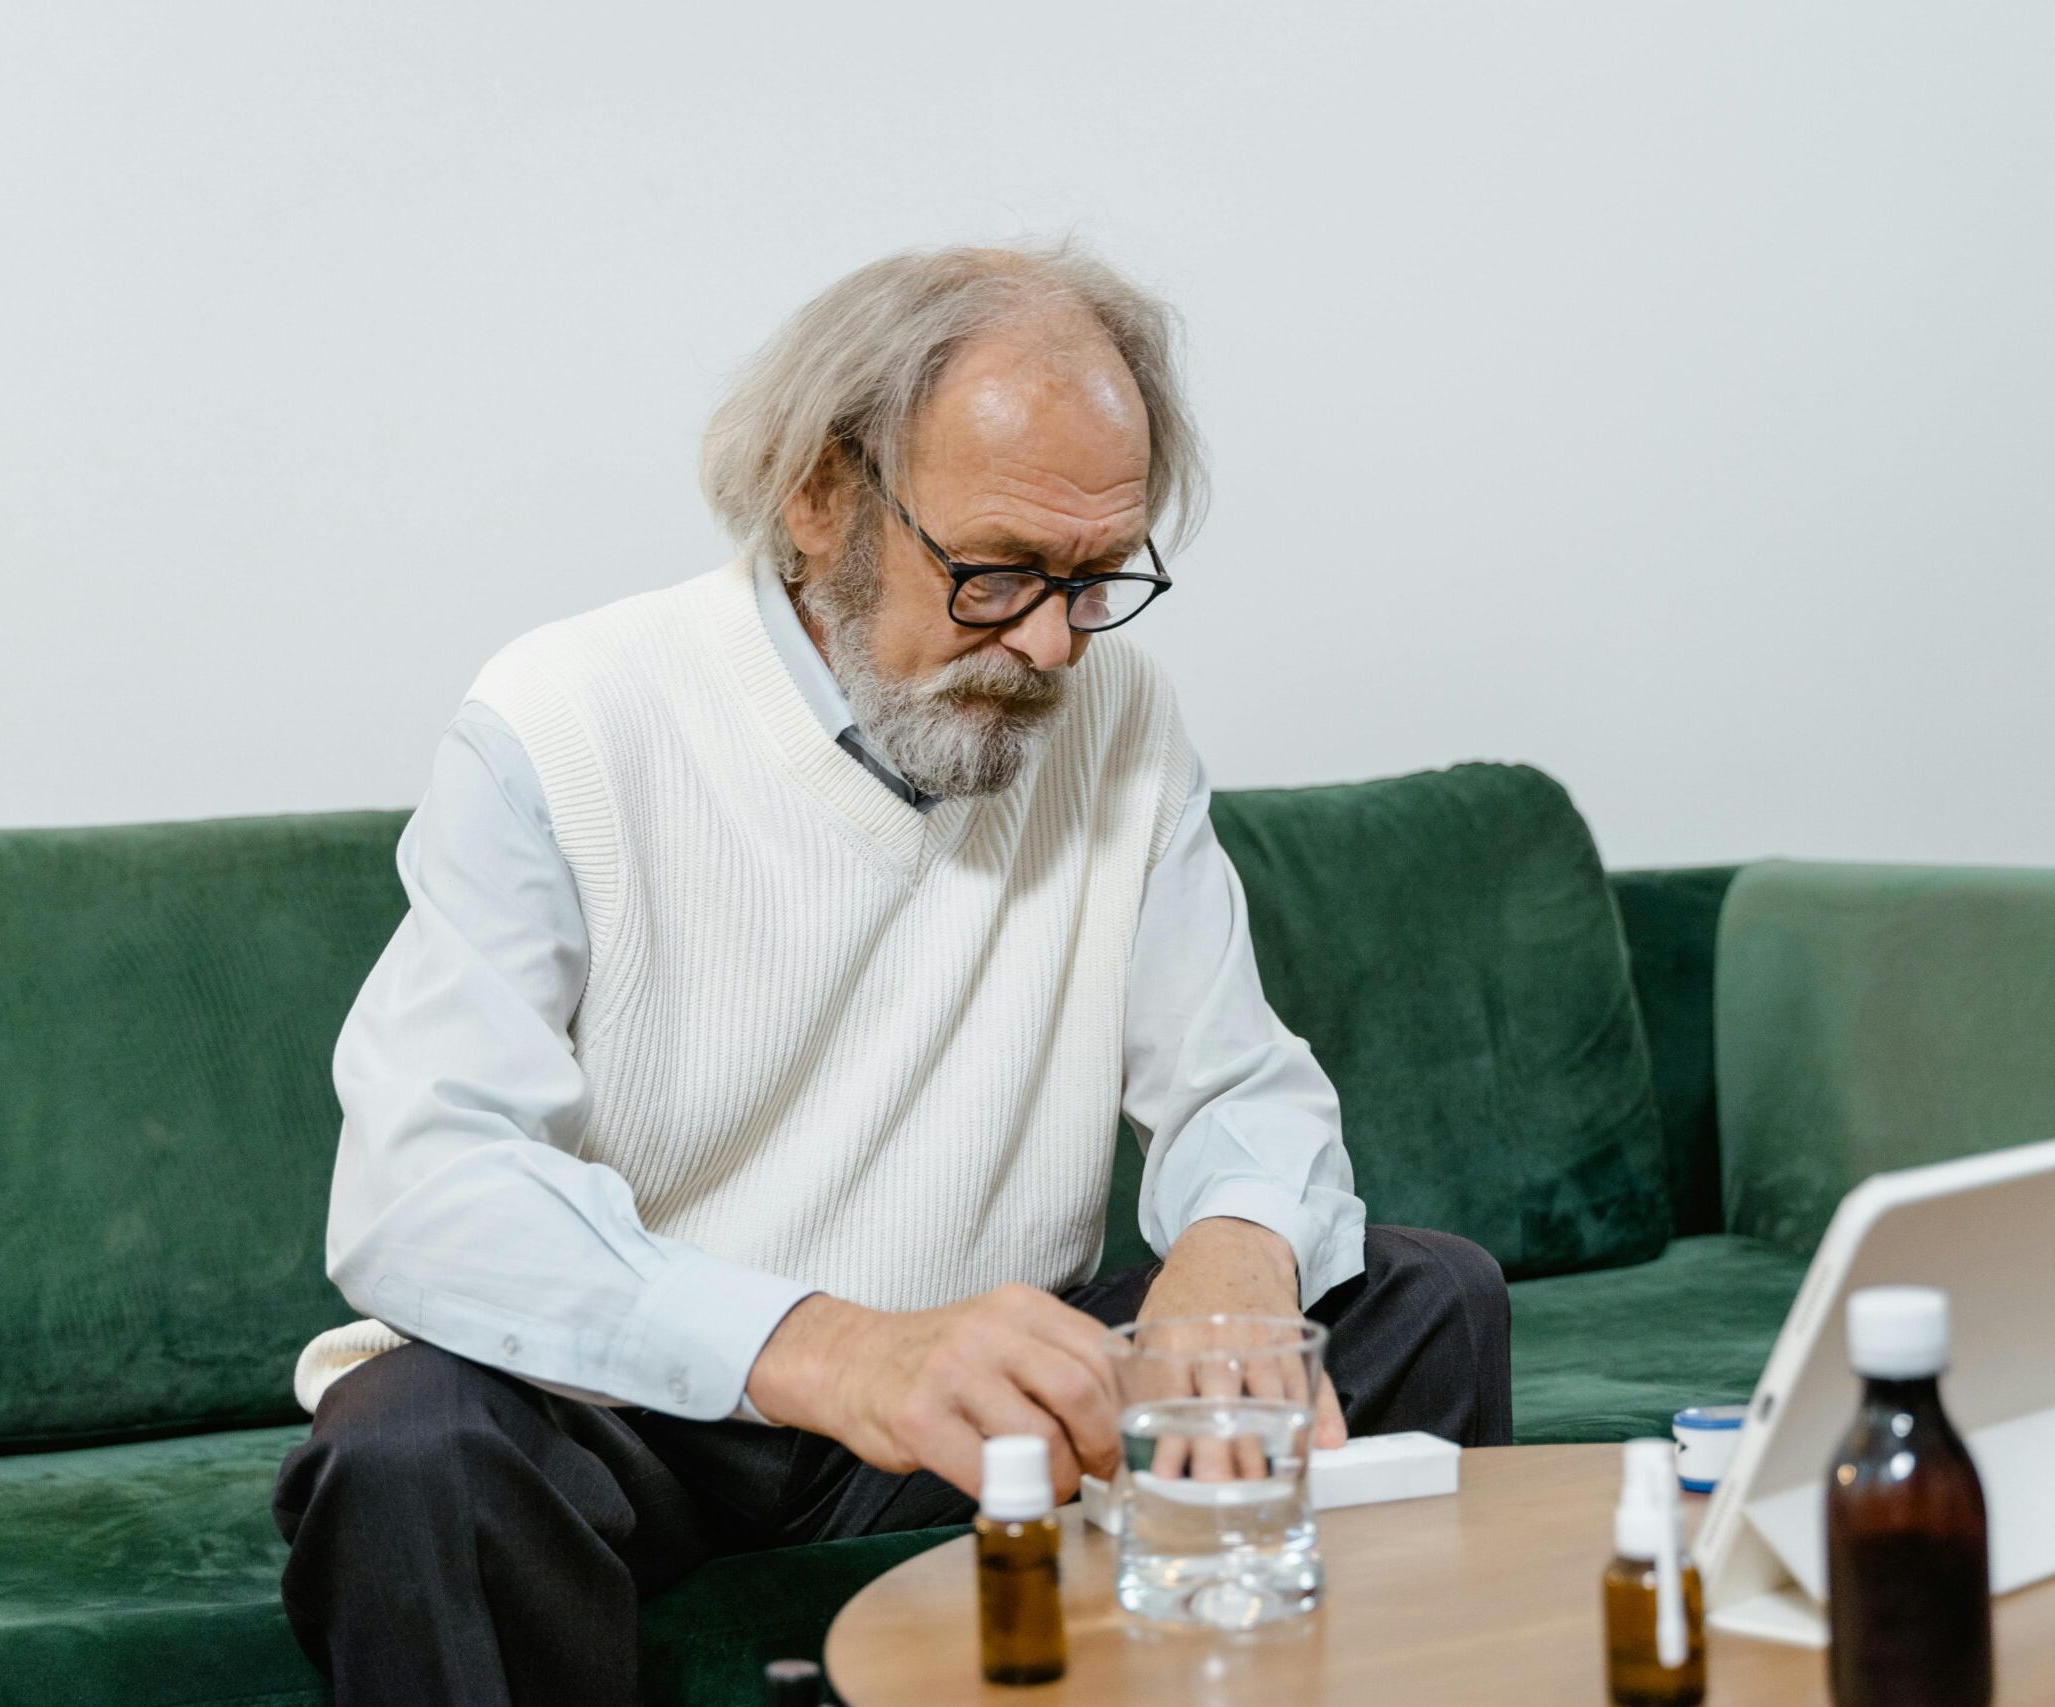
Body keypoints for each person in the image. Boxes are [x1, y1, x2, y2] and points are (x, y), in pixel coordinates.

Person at [270, 238, 1512, 1706]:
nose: (1051, 641)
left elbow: (1235, 1082)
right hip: (638, 1409)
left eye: (1097, 578)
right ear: (819, 497)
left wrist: (1233, 1258)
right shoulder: (564, 717)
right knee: (412, 1447)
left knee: (1419, 1298)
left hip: (974, 1414)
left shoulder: (1109, 707)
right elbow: (430, 1186)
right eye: (998, 574)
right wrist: (830, 1353)